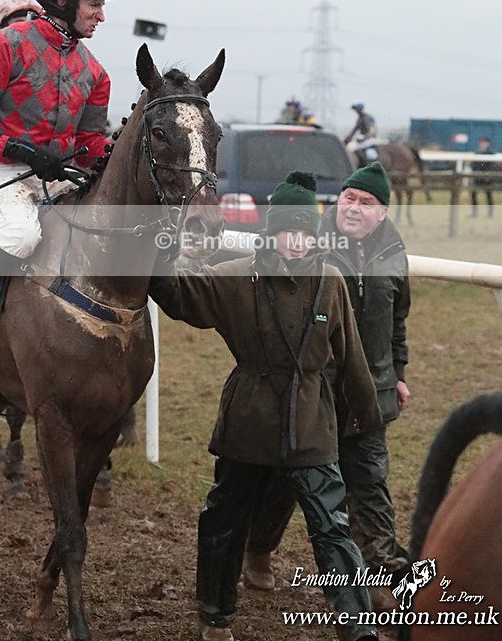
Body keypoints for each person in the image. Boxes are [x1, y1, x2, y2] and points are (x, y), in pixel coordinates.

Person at [149, 170, 382, 641]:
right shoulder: (237, 275)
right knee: (224, 521)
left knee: (332, 528)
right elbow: (179, 294)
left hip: (312, 427)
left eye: (304, 232)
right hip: (247, 422)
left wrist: (369, 421)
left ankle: (358, 628)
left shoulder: (331, 281)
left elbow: (353, 359)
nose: (295, 242)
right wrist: (154, 246)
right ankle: (216, 618)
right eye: (286, 231)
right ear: (271, 233)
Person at [244, 161, 411, 612]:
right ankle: (257, 548)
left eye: (367, 202)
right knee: (288, 480)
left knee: (370, 482)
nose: (354, 208)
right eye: (349, 198)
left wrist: (397, 373)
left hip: (370, 390)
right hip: (311, 388)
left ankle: (378, 575)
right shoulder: (312, 247)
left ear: (383, 213)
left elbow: (397, 322)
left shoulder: (394, 254)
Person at [0, 0, 123, 274]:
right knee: (21, 237)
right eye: (95, 4)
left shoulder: (96, 73)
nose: (101, 16)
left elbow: (89, 146)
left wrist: (122, 151)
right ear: (64, 1)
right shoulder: (4, 45)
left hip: (56, 177)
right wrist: (22, 150)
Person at [470, 136, 495, 218]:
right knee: (473, 194)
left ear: (488, 143)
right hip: (477, 178)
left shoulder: (491, 154)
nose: (483, 144)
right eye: (482, 142)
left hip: (487, 178)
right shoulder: (477, 153)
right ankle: (474, 212)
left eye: (484, 142)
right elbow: (473, 165)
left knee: (489, 195)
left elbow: (492, 166)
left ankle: (490, 213)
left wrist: (488, 175)